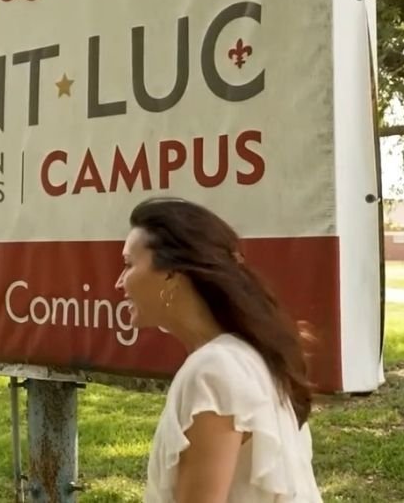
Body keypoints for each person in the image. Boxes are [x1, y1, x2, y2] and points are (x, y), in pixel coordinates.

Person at [116, 197, 322, 503]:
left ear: (172, 275)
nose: (119, 282)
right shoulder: (244, 356)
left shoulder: (213, 371)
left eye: (129, 265)